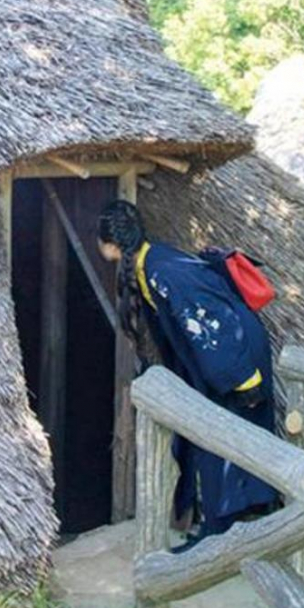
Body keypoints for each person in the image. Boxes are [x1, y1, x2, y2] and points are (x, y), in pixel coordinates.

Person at [97, 199, 277, 547]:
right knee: (215, 434)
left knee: (218, 433)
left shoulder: (163, 270)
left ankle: (218, 530)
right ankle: (221, 524)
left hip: (235, 353)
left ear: (109, 244)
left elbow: (210, 323)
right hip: (224, 352)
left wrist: (242, 378)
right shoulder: (151, 262)